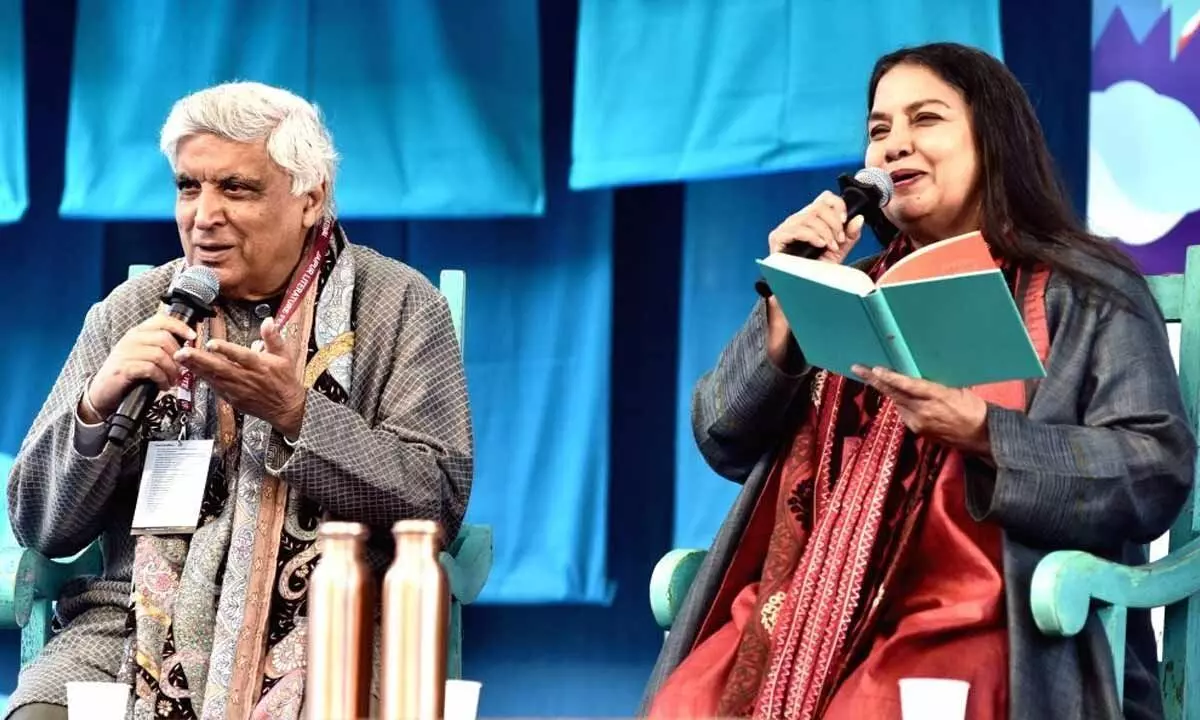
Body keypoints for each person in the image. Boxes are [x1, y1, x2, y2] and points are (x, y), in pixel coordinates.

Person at [641, 42, 1194, 720]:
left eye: (925, 119)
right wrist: (782, 311)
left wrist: (987, 434)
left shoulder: (1083, 287)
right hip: (807, 612)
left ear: (992, 142)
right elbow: (720, 436)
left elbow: (1154, 470)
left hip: (992, 617)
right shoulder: (848, 289)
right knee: (686, 703)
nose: (894, 145)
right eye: (879, 130)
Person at [5, 81, 474, 719]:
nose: (203, 214)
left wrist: (297, 417)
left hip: (330, 626)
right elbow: (38, 524)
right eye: (188, 186)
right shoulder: (135, 313)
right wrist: (95, 405)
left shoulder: (399, 305)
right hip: (132, 625)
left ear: (311, 199)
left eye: (236, 188)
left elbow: (437, 496)